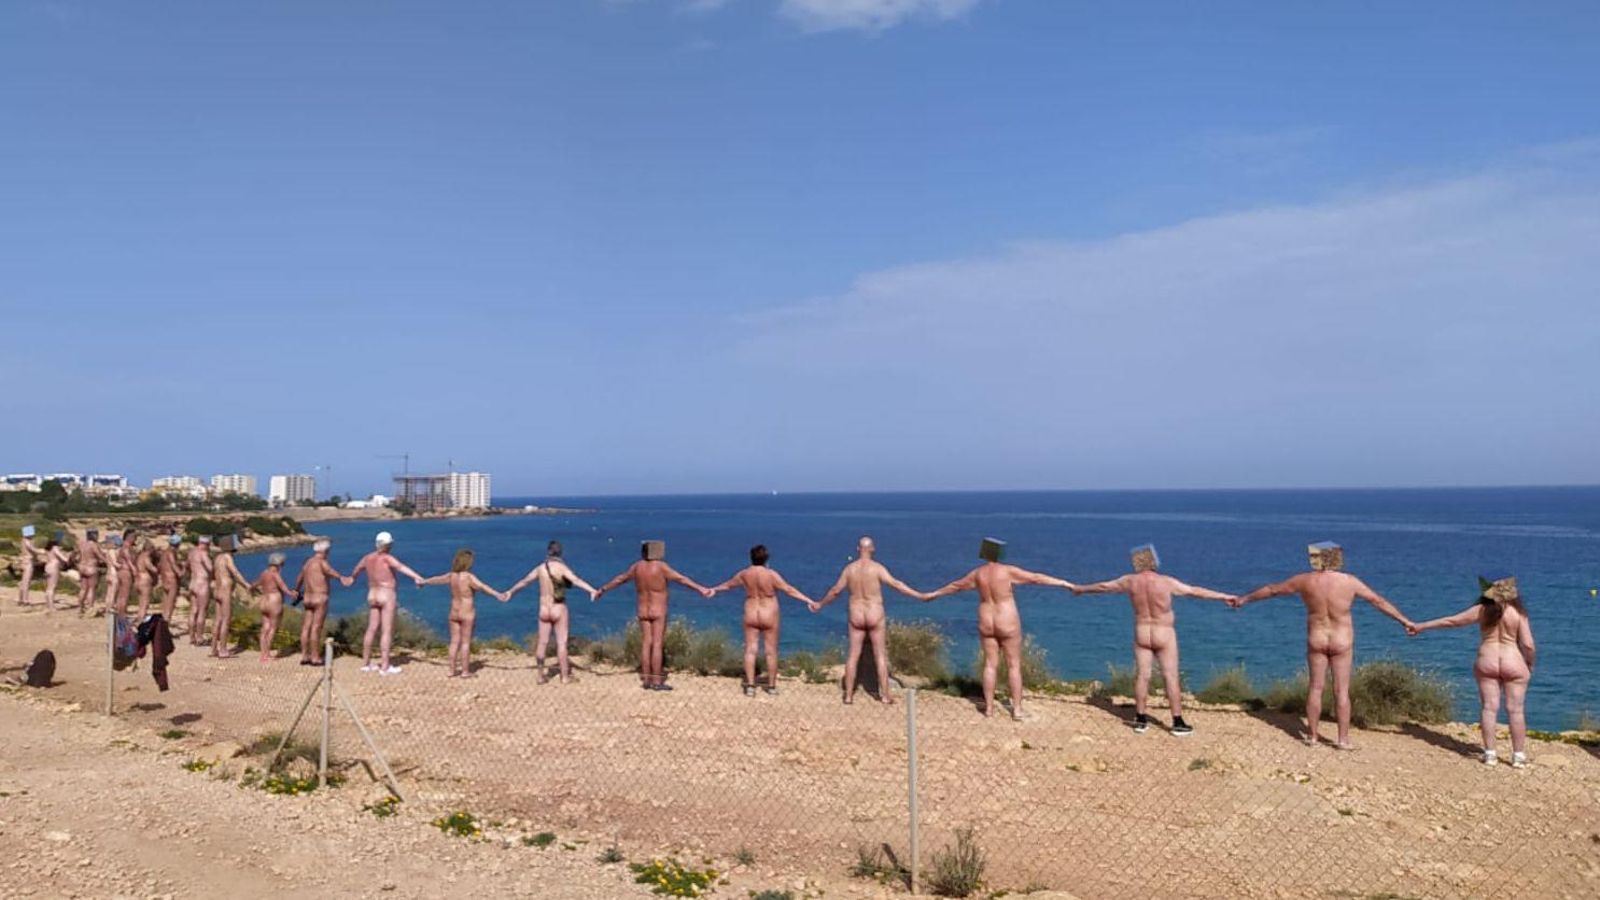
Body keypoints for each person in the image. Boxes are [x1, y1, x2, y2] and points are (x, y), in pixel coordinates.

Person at [1232, 541, 1415, 749]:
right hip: (1342, 640)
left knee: (1316, 688)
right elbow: (1378, 601)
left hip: (1317, 638)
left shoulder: (1305, 581)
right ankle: (1343, 740)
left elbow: (1272, 590)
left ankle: (1312, 737)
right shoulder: (1349, 582)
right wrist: (1405, 621)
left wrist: (1244, 599)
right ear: (1337, 558)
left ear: (1316, 558)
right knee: (1341, 691)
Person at [1072, 544, 1236, 735]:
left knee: (1143, 676)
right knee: (1170, 676)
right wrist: (1224, 596)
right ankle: (1177, 722)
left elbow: (1103, 587)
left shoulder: (1129, 581)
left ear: (1136, 564)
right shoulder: (1166, 582)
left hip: (1142, 632)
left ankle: (1140, 719)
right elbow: (1194, 591)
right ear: (1154, 562)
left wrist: (1081, 589)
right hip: (1164, 633)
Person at [923, 538, 1077, 720]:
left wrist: (934, 594)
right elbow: (1035, 578)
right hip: (1007, 620)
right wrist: (1064, 583)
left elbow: (955, 586)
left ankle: (989, 708)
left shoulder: (977, 574)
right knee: (1014, 665)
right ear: (1000, 553)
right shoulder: (1007, 571)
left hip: (986, 621)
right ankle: (1017, 710)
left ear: (984, 553)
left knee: (990, 665)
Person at [1408, 574, 1536, 768]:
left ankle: (1490, 754)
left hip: (1487, 660)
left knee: (1489, 708)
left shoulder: (1482, 610)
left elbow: (1452, 621)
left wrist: (1421, 626)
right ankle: (1518, 756)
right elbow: (1528, 645)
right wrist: (1529, 664)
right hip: (1513, 661)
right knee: (1515, 710)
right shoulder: (1518, 614)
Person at [812, 536, 929, 704]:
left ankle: (848, 695)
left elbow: (836, 590)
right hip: (875, 612)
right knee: (880, 655)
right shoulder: (877, 568)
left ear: (858, 549)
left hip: (856, 614)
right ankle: (885, 695)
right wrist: (919, 595)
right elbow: (896, 584)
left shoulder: (849, 569)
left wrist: (820, 604)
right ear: (872, 549)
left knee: (853, 655)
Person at [595, 541, 711, 690]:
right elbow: (681, 579)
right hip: (658, 609)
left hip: (642, 609)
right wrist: (700, 589)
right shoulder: (661, 567)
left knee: (646, 643)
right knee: (657, 644)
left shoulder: (637, 567)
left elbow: (620, 579)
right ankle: (656, 681)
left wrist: (603, 589)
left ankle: (646, 679)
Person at [709, 545, 817, 696]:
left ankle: (750, 686)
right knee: (771, 652)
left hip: (751, 612)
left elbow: (728, 585)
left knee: (750, 650)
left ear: (751, 558)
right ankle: (771, 687)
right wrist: (808, 600)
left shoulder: (744, 574)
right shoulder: (771, 574)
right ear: (766, 558)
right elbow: (788, 589)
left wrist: (713, 589)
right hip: (769, 613)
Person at [509, 541, 601, 684]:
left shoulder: (540, 568)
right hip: (558, 608)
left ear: (548, 551)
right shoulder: (562, 568)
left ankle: (540, 675)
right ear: (560, 552)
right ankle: (564, 677)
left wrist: (510, 592)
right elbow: (576, 580)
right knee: (561, 643)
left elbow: (525, 581)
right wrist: (592, 591)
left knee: (542, 643)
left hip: (544, 609)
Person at [343, 531, 424, 675]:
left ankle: (366, 663)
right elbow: (401, 567)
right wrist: (417, 577)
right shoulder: (387, 558)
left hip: (372, 594)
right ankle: (385, 666)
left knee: (371, 628)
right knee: (386, 630)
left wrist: (352, 579)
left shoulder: (367, 558)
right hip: (386, 594)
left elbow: (357, 570)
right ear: (389, 545)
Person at [422, 549, 509, 678]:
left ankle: (451, 670)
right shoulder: (468, 577)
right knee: (465, 643)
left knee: (454, 642)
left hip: (454, 611)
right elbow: (482, 587)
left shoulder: (451, 576)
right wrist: (497, 594)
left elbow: (437, 579)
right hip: (466, 612)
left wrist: (424, 581)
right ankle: (465, 671)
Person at [294, 539, 346, 666]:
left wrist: (296, 590)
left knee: (306, 627)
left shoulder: (308, 562)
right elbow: (329, 571)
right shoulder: (322, 562)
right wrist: (341, 577)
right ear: (325, 551)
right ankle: (315, 657)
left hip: (308, 598)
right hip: (320, 597)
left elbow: (300, 577)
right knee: (316, 627)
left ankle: (304, 655)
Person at [210, 535, 255, 658]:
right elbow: (235, 572)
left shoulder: (218, 557)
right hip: (225, 591)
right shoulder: (227, 557)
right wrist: (246, 584)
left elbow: (213, 573)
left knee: (217, 620)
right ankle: (223, 650)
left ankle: (214, 649)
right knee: (226, 620)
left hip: (217, 590)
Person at [250, 553, 297, 663]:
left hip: (264, 601)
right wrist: (292, 594)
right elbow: (283, 588)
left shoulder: (264, 573)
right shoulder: (275, 575)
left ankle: (263, 655)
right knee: (272, 628)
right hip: (274, 602)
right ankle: (267, 654)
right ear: (279, 563)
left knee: (264, 628)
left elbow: (255, 584)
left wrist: (251, 589)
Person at [185, 535, 215, 644]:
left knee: (193, 610)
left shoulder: (192, 553)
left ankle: (191, 637)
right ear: (206, 544)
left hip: (193, 583)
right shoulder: (203, 554)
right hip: (202, 584)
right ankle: (199, 637)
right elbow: (210, 568)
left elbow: (187, 566)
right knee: (202, 611)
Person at [75, 529, 105, 616]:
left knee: (83, 589)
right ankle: (90, 607)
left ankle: (80, 607)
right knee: (92, 589)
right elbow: (99, 556)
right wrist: (107, 561)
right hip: (91, 567)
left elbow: (77, 555)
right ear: (94, 535)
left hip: (82, 567)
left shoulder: (82, 544)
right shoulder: (93, 545)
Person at [155, 534, 184, 620]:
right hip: (171, 580)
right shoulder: (171, 553)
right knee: (170, 605)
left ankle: (162, 622)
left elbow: (160, 566)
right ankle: (166, 623)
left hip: (164, 580)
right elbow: (174, 566)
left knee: (165, 604)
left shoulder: (164, 553)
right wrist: (182, 570)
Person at [41, 538, 71, 612]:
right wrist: (68, 559)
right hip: (54, 567)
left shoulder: (47, 549)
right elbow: (62, 557)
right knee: (52, 587)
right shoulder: (55, 548)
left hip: (47, 567)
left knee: (48, 588)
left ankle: (48, 605)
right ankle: (52, 607)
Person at [133, 536, 159, 619]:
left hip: (138, 580)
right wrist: (158, 569)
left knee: (141, 603)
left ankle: (139, 618)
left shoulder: (139, 556)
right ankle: (140, 620)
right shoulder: (146, 557)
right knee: (145, 603)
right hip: (144, 581)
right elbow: (151, 568)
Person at [113, 529, 137, 615]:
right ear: (129, 537)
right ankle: (122, 613)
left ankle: (120, 611)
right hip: (126, 571)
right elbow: (128, 559)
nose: (135, 539)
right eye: (134, 537)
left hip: (121, 571)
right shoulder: (126, 547)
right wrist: (133, 569)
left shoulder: (125, 547)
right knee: (125, 594)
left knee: (121, 593)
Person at [17, 524, 38, 607]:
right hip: (28, 562)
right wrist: (44, 551)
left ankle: (20, 599)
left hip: (23, 561)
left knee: (23, 582)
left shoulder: (23, 540)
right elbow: (33, 550)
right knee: (26, 582)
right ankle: (25, 600)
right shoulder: (27, 541)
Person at [102, 533, 123, 613]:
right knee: (113, 592)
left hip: (108, 573)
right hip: (113, 573)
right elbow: (115, 563)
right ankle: (110, 607)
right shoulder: (112, 552)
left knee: (109, 592)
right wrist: (122, 566)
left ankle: (107, 607)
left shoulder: (107, 552)